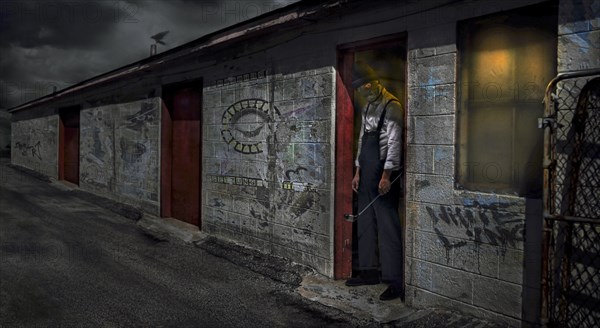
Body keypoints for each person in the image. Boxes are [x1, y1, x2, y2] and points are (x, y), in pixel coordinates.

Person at [345, 60, 404, 301]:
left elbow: (394, 144)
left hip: (383, 173)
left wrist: (387, 176)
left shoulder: (392, 106)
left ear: (374, 84)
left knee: (387, 226)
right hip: (367, 170)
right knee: (365, 221)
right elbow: (362, 139)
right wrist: (357, 172)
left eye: (365, 88)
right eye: (359, 90)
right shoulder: (368, 106)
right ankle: (368, 271)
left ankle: (395, 281)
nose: (363, 93)